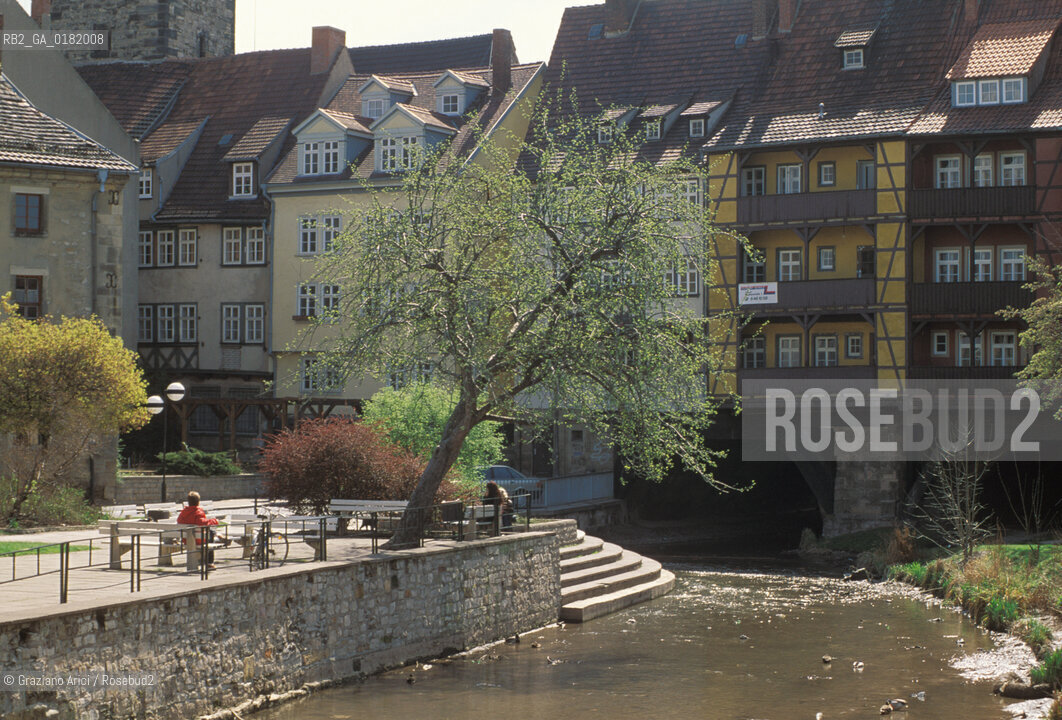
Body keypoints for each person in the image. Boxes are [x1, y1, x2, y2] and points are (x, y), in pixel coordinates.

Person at [177, 491, 220, 569]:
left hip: (186, 539)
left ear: (188, 502)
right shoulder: (198, 512)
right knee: (210, 533)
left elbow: (179, 521)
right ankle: (210, 562)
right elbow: (202, 522)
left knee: (209, 532)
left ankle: (219, 535)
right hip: (198, 540)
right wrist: (215, 521)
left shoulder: (183, 513)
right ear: (198, 502)